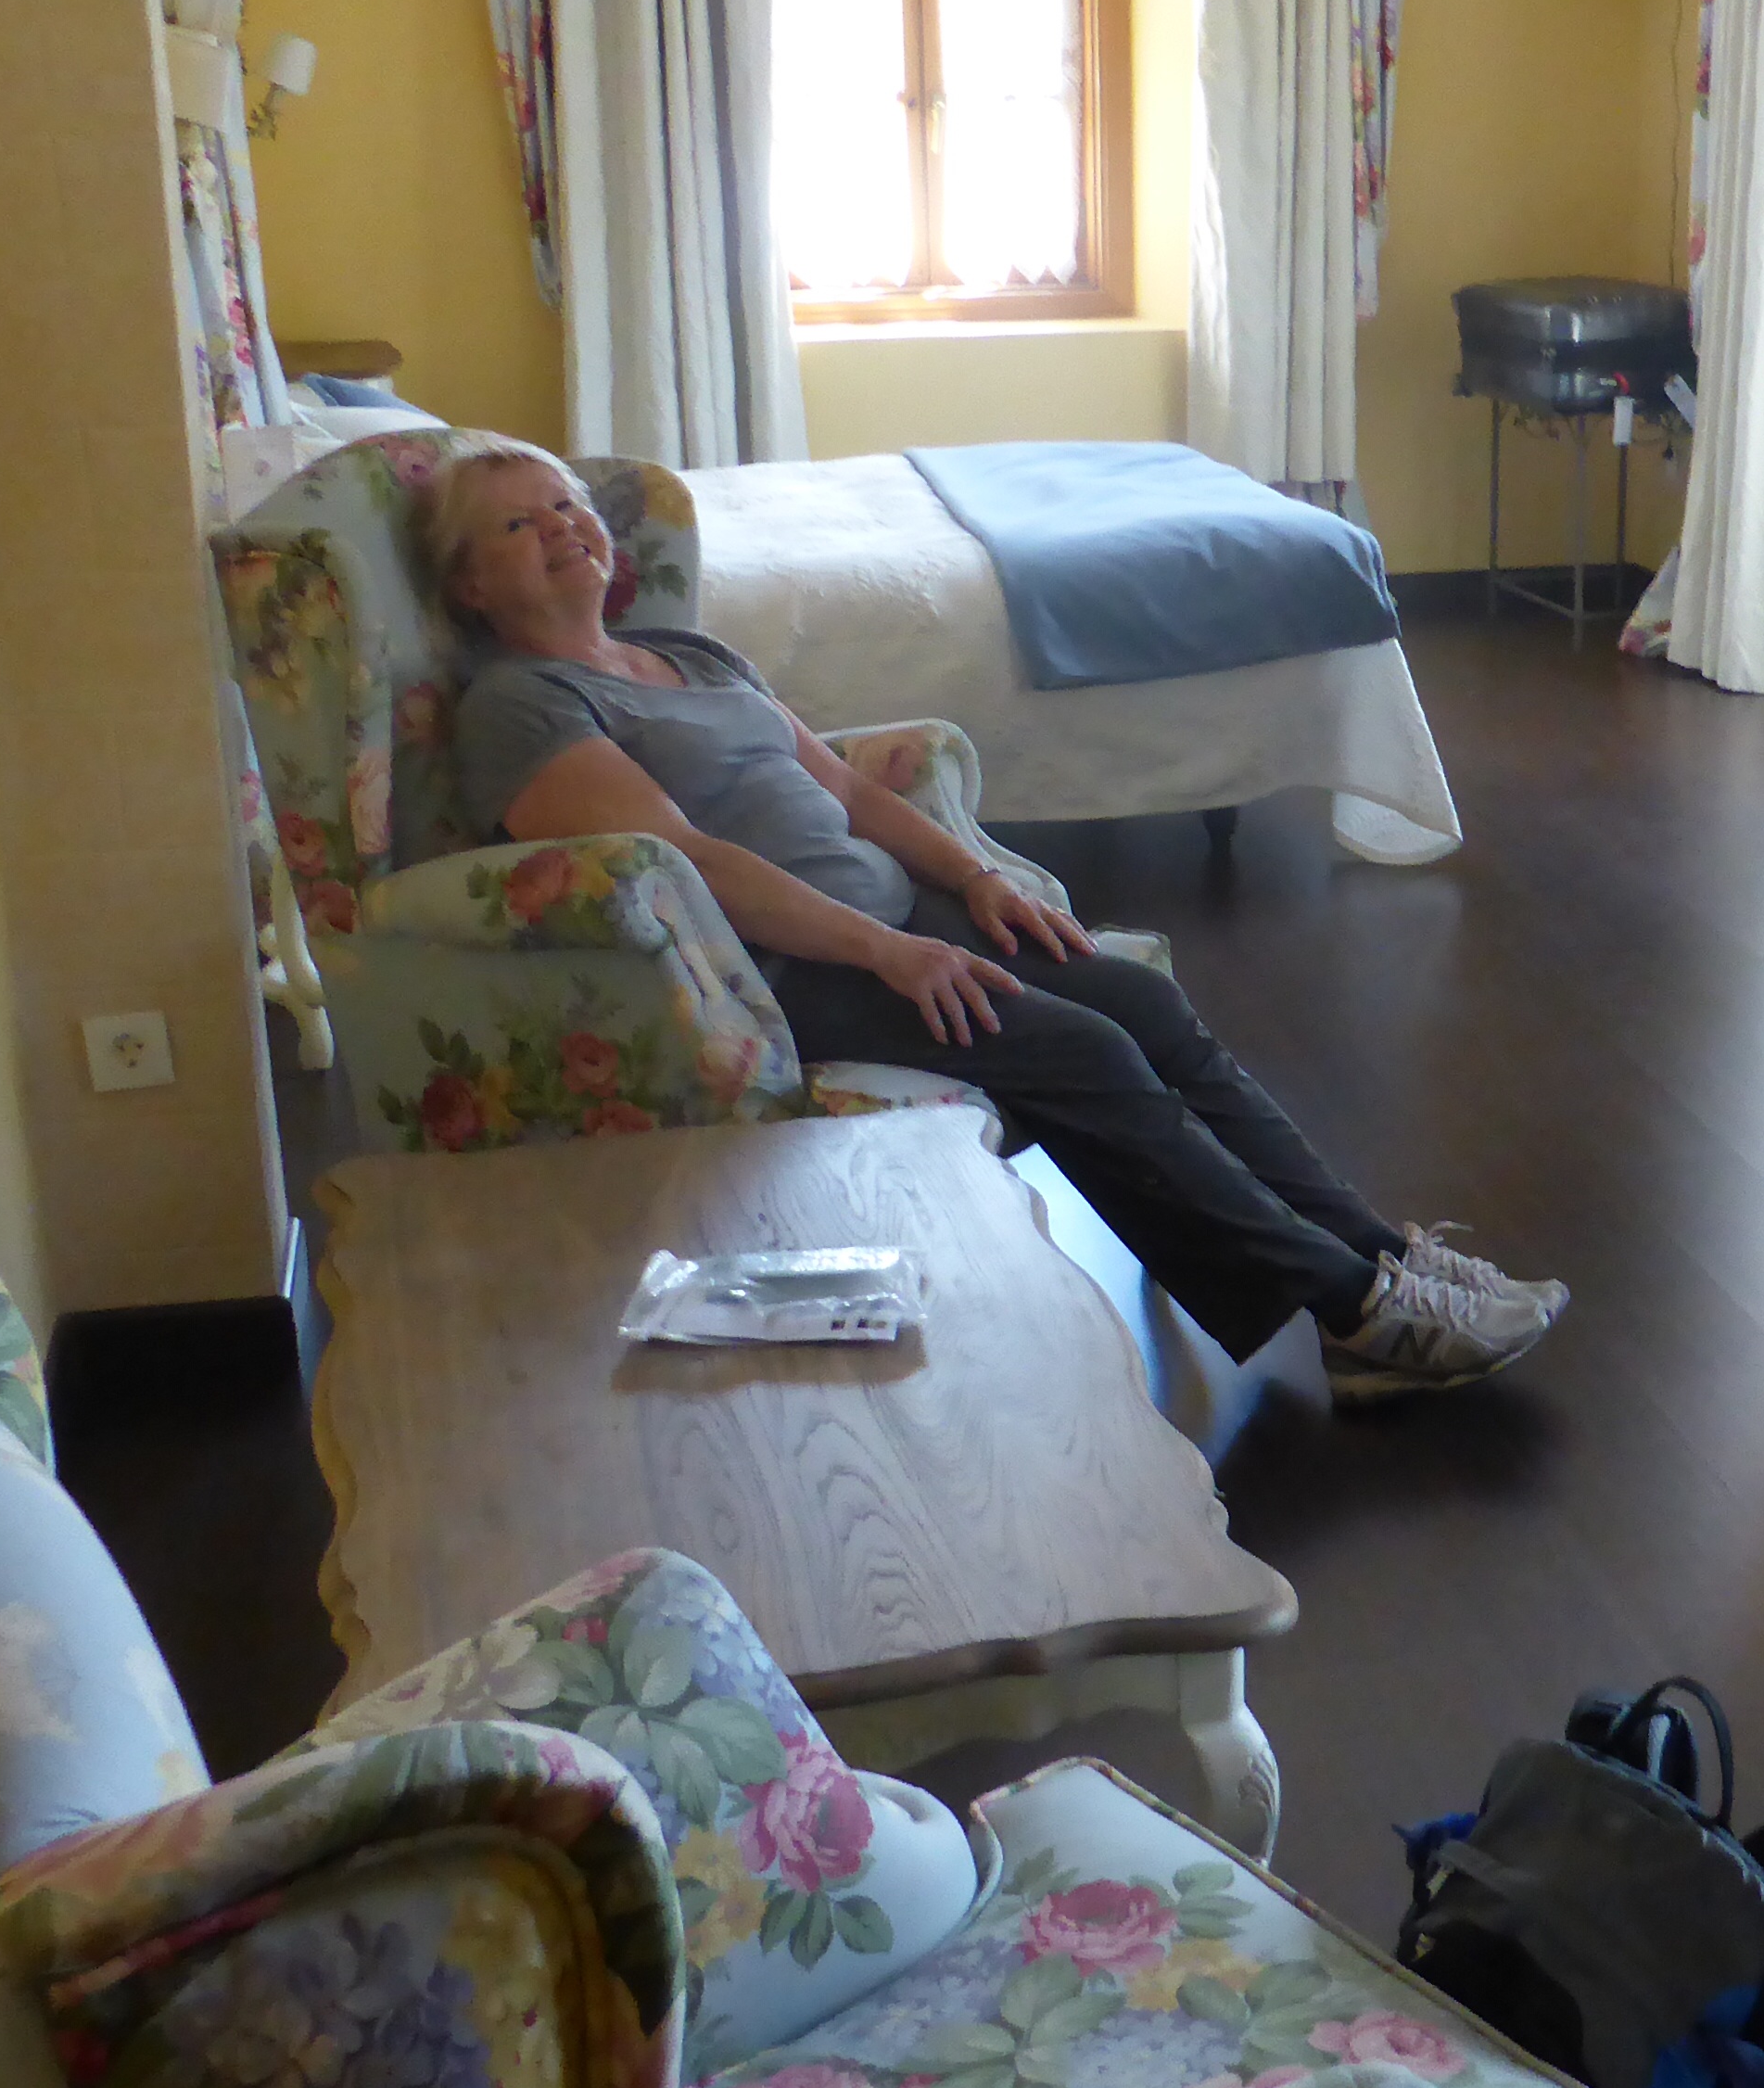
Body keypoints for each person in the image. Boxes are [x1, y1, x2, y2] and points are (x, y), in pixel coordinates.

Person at [418, 435, 1561, 1400]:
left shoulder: (687, 653)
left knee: (1142, 1004)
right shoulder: (523, 706)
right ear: (470, 587)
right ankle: (1355, 1313)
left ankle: (1379, 1252)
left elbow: (847, 788)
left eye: (567, 504)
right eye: (521, 524)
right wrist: (889, 950)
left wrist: (973, 881)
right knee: (1087, 1053)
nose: (563, 526)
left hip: (898, 921)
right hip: (772, 974)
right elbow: (684, 864)